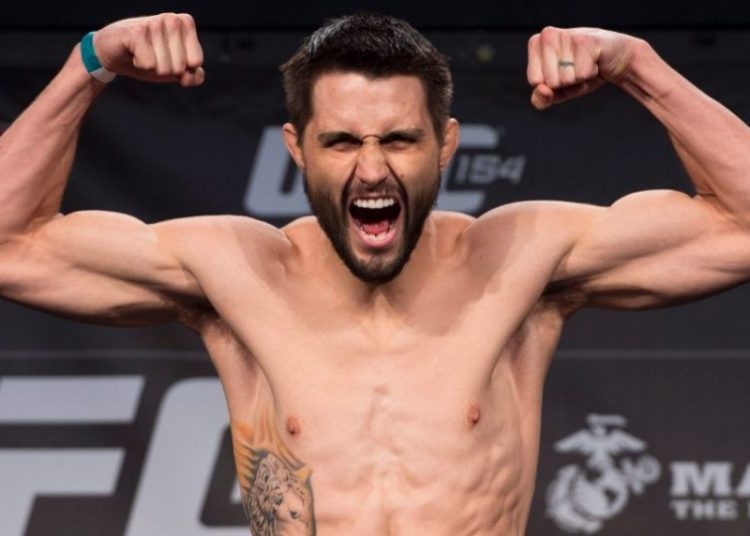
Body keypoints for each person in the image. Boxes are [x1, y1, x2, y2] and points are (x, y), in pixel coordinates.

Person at [1, 11, 749, 536]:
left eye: (398, 139)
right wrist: (89, 65)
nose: (371, 169)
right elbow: (12, 247)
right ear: (296, 148)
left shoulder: (519, 260)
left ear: (445, 145)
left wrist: (639, 67)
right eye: (340, 142)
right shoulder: (237, 272)